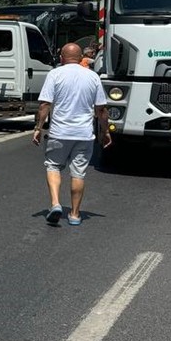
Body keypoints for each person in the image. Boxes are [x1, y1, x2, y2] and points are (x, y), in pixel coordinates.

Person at [32, 43, 111, 226]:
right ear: (81, 57)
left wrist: (38, 128)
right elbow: (101, 109)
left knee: (53, 166)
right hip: (84, 134)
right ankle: (75, 214)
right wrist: (105, 131)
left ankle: (55, 204)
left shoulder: (55, 74)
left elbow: (45, 105)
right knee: (78, 174)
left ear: (61, 57)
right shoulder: (93, 77)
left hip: (59, 132)